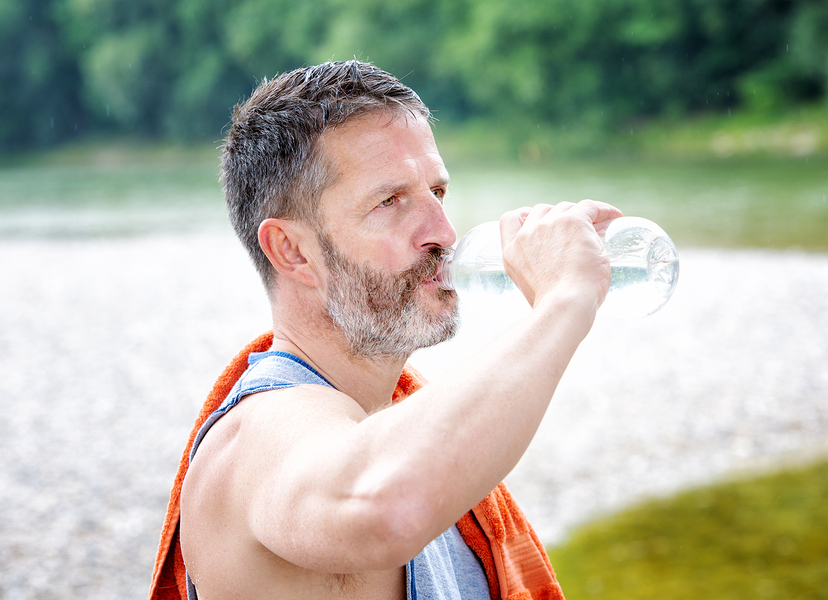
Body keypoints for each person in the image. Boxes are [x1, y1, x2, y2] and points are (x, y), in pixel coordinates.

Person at [155, 60, 622, 600]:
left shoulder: (415, 437)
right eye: (390, 201)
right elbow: (385, 505)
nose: (442, 233)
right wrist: (563, 302)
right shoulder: (256, 437)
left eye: (437, 194)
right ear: (292, 250)